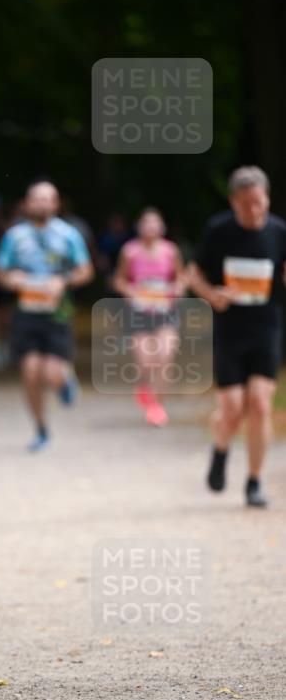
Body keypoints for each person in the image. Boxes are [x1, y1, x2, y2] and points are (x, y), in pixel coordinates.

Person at [189, 166, 286, 507]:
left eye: (260, 202)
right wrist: (210, 294)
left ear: (267, 198)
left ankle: (254, 482)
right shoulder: (218, 231)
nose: (255, 210)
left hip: (267, 328)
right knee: (231, 409)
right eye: (246, 204)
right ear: (233, 202)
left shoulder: (279, 232)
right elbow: (194, 272)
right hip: (230, 330)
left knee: (260, 404)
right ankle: (220, 450)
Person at [0, 179, 94, 451]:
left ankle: (64, 380)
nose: (41, 203)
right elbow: (1, 272)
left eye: (47, 198)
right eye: (36, 198)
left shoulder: (68, 234)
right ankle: (41, 429)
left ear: (56, 203)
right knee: (30, 373)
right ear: (27, 203)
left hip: (57, 313)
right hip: (27, 313)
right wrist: (12, 279)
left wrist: (63, 281)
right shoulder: (14, 236)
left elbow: (86, 271)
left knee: (51, 373)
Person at [112, 208, 187, 426]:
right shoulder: (130, 251)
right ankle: (145, 385)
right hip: (140, 313)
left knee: (165, 356)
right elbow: (119, 280)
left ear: (162, 228)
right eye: (147, 223)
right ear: (140, 227)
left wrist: (177, 289)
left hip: (165, 311)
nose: (151, 227)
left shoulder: (171, 251)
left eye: (156, 223)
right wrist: (131, 291)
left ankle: (157, 406)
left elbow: (181, 279)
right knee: (146, 362)